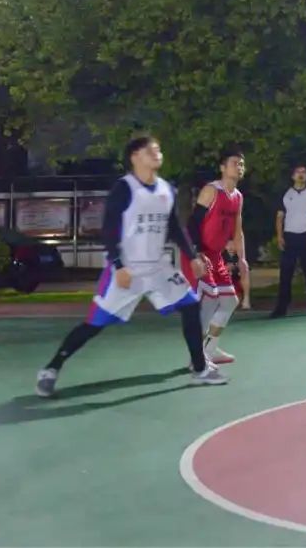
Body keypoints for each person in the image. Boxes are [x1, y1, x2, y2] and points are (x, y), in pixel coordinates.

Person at [35, 136, 226, 397]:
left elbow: (174, 227)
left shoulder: (166, 189)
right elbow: (108, 230)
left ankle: (200, 368)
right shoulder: (124, 188)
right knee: (94, 324)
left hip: (158, 267)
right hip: (127, 268)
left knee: (191, 306)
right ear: (135, 157)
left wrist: (191, 256)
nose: (157, 153)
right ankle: (51, 369)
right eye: (150, 150)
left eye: (158, 149)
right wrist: (118, 264)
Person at [182, 148, 248, 364]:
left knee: (230, 301)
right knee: (209, 302)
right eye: (234, 163)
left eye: (241, 164)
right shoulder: (211, 190)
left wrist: (242, 258)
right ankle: (197, 358)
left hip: (216, 255)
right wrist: (197, 253)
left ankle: (209, 349)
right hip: (199, 253)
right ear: (222, 167)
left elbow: (237, 231)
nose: (239, 167)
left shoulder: (238, 197)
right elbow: (193, 223)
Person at [271, 164, 306, 317]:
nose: (301, 175)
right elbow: (279, 217)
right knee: (286, 274)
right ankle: (281, 308)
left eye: (304, 172)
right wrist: (280, 236)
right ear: (293, 176)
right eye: (298, 172)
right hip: (290, 237)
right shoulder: (286, 194)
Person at [222, 240, 250, 310]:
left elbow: (244, 269)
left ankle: (244, 299)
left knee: (236, 299)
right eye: (228, 245)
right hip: (225, 282)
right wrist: (225, 268)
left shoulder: (239, 256)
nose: (230, 247)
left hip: (235, 280)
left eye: (233, 245)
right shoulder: (222, 256)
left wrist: (235, 266)